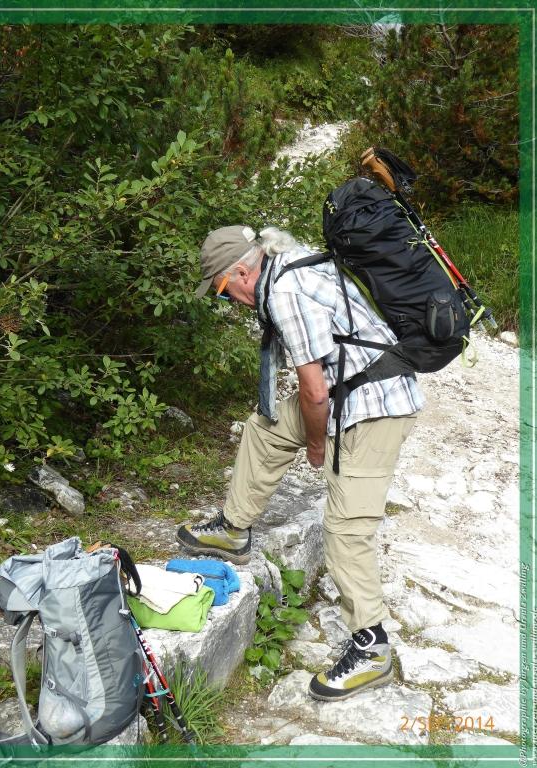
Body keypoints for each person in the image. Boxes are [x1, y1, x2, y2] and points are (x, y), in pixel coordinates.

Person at [176, 224, 424, 701]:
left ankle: (372, 649)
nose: (229, 302)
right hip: (349, 388)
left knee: (346, 531)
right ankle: (234, 528)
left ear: (243, 271)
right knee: (265, 427)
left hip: (376, 407)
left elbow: (313, 392)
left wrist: (316, 444)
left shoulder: (286, 291)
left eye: (225, 292)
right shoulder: (289, 263)